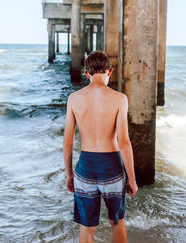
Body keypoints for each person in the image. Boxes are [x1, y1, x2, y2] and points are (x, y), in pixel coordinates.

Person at [63, 50, 138, 243]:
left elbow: (68, 141)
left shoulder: (74, 98)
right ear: (109, 72)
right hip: (111, 168)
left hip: (85, 168)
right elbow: (124, 142)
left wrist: (69, 174)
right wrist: (132, 178)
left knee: (87, 228)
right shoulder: (120, 98)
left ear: (87, 74)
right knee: (117, 223)